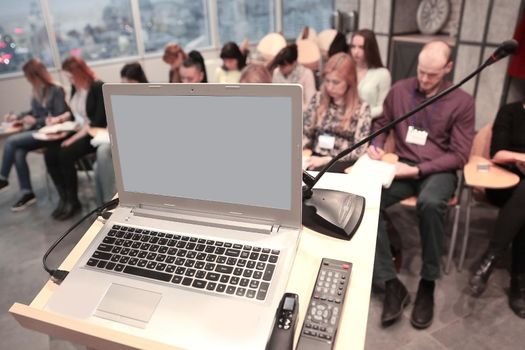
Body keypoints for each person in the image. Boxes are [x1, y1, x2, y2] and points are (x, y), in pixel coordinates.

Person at [368, 40, 475, 329]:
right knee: (367, 200)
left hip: (437, 170)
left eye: (433, 74)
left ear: (448, 68)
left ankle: (428, 281)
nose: (425, 79)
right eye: (422, 71)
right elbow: (381, 124)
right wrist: (376, 144)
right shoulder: (401, 90)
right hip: (403, 165)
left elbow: (460, 155)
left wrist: (416, 171)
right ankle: (390, 283)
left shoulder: (461, 102)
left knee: (430, 203)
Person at [469, 101, 525, 318]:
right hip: (503, 182)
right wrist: (520, 158)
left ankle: (489, 260)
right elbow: (497, 153)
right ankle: (518, 282)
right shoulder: (510, 111)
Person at [0, 58, 69, 211]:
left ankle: (3, 178)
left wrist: (36, 121)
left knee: (11, 142)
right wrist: (18, 117)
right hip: (38, 132)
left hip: (50, 134)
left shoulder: (56, 90)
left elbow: (58, 116)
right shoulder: (37, 90)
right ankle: (27, 193)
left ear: (35, 76)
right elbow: (33, 112)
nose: (27, 80)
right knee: (18, 152)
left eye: (28, 77)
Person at [44, 57, 107, 220]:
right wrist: (59, 121)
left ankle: (73, 200)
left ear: (79, 73)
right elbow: (74, 114)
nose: (69, 80)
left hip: (94, 134)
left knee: (65, 153)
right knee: (50, 152)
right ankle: (63, 197)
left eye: (71, 76)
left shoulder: (97, 87)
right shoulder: (75, 88)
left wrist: (71, 139)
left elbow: (97, 122)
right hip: (79, 130)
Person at [89, 62, 149, 205]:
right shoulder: (122, 97)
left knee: (102, 153)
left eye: (128, 82)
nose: (125, 86)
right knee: (97, 167)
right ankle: (103, 206)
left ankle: (109, 204)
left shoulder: (147, 96)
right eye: (123, 82)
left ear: (138, 81)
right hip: (121, 142)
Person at [302, 53, 371, 171]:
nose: (329, 87)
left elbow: (359, 150)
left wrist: (327, 159)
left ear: (350, 82)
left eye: (336, 82)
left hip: (342, 162)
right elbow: (306, 133)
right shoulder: (318, 98)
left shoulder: (362, 109)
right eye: (327, 81)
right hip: (314, 156)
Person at [350, 29, 391, 119]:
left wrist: (362, 114)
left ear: (370, 49)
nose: (356, 52)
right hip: (345, 121)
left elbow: (384, 107)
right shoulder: (347, 68)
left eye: (361, 47)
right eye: (353, 47)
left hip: (370, 122)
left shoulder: (382, 74)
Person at [269, 44, 316, 111]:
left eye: (284, 66)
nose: (280, 69)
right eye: (279, 66)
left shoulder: (306, 74)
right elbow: (274, 96)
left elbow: (311, 103)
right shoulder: (276, 72)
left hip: (300, 112)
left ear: (294, 63)